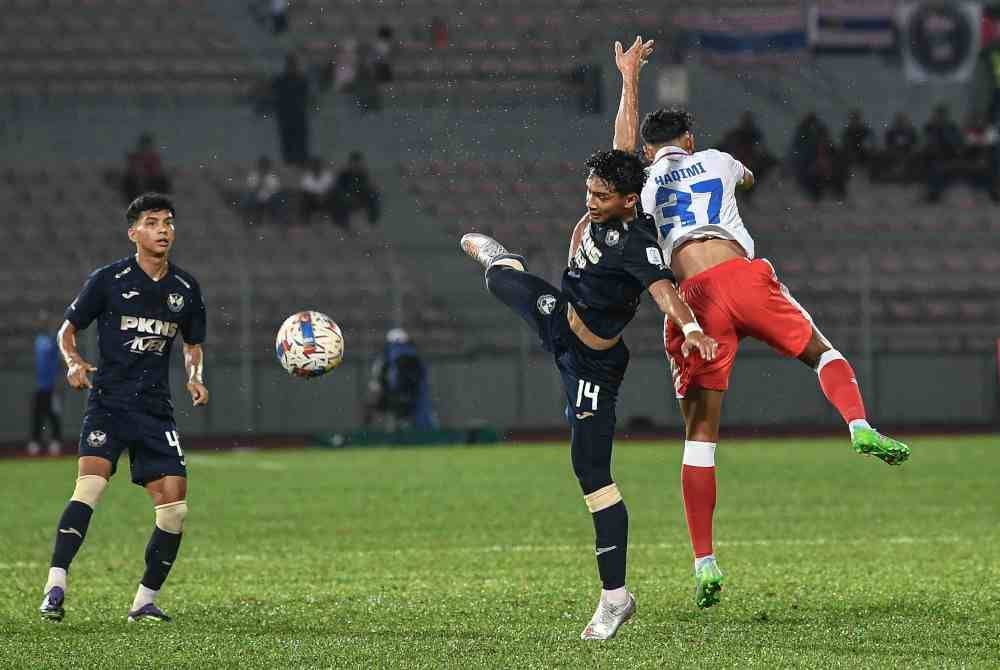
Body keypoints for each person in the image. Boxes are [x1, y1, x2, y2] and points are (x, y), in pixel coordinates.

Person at [460, 37, 718, 641]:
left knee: (589, 469)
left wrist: (693, 327)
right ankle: (506, 264)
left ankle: (615, 596)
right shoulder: (618, 181)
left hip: (592, 365)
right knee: (499, 278)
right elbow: (624, 139)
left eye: (601, 198)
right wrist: (629, 77)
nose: (590, 202)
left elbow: (663, 293)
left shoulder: (638, 243)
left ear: (631, 201)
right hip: (561, 315)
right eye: (589, 193)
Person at [631, 92, 911, 607]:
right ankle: (859, 425)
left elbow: (624, 167)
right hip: (743, 276)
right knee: (823, 353)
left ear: (649, 152)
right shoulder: (715, 159)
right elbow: (750, 180)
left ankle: (704, 562)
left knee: (699, 438)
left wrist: (629, 85)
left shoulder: (644, 184)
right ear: (688, 141)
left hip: (693, 301)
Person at [38, 193, 209, 624]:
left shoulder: (185, 288)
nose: (163, 229)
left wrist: (195, 375)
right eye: (152, 223)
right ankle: (55, 584)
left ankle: (143, 602)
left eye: (168, 221)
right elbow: (66, 331)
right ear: (133, 232)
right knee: (90, 488)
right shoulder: (108, 280)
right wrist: (74, 361)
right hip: (109, 403)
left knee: (175, 510)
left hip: (155, 410)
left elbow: (192, 342)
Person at [364, 328, 437, 430]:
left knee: (377, 410)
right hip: (409, 394)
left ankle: (370, 434)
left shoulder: (387, 356)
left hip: (394, 393)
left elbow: (378, 376)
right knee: (410, 417)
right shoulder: (412, 355)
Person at [28, 311, 63, 457]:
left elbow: (59, 359)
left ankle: (55, 441)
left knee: (53, 414)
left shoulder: (54, 340)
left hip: (52, 386)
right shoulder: (38, 340)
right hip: (40, 385)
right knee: (37, 414)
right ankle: (36, 441)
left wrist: (58, 380)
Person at [272, 53, 311, 166]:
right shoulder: (280, 80)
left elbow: (305, 98)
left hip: (299, 117)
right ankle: (289, 163)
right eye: (290, 65)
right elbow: (274, 95)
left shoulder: (302, 80)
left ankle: (301, 163)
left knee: (301, 144)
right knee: (287, 143)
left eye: (294, 64)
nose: (292, 67)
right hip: (285, 118)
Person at [331, 151, 380, 227]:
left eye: (358, 163)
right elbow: (338, 188)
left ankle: (372, 220)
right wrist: (347, 196)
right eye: (354, 163)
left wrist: (371, 189)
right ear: (350, 163)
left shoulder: (363, 173)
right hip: (346, 197)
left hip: (359, 196)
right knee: (338, 200)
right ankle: (342, 223)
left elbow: (367, 187)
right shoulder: (343, 174)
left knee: (374, 195)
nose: (356, 166)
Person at [122, 133, 170, 204]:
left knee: (161, 182)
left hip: (150, 181)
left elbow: (157, 171)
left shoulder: (153, 157)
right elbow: (131, 170)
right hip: (137, 181)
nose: (146, 148)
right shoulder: (135, 156)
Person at [299, 156, 334, 224]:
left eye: (318, 165)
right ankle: (305, 221)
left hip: (326, 198)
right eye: (314, 165)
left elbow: (331, 188)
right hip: (312, 199)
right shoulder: (306, 177)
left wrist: (324, 196)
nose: (316, 167)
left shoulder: (328, 175)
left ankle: (333, 220)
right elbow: (305, 191)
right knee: (304, 199)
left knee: (333, 197)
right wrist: (316, 197)